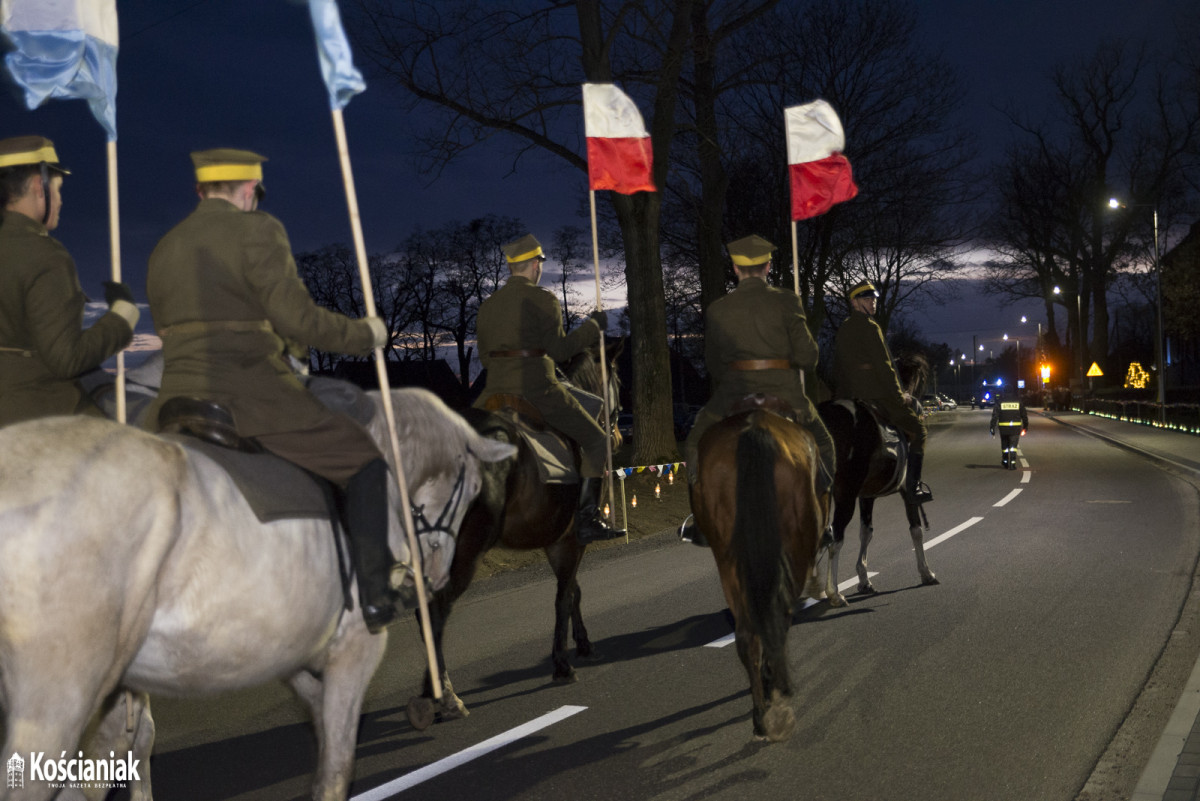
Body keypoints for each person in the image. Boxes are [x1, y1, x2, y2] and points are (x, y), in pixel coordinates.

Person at [143, 148, 398, 632]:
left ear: (200, 192)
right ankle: (376, 593)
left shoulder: (165, 245)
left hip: (174, 396)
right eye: (255, 194)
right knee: (363, 460)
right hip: (251, 392)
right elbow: (296, 318)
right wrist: (368, 335)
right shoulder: (258, 229)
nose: (256, 202)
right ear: (248, 190)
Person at [680, 234, 836, 545]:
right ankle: (822, 519)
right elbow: (808, 358)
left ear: (736, 269)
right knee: (825, 444)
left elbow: (712, 363)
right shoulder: (787, 301)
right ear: (768, 266)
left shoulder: (718, 309)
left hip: (734, 393)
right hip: (786, 393)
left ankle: (700, 519)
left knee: (695, 442)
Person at [473, 233, 624, 543]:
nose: (540, 267)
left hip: (492, 393)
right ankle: (587, 519)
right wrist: (593, 328)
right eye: (539, 262)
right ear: (533, 265)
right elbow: (558, 350)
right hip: (538, 391)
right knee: (598, 441)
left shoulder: (487, 306)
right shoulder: (544, 299)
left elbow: (486, 358)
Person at [0, 135, 139, 427]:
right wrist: (122, 317)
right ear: (40, 186)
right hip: (36, 409)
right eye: (58, 189)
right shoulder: (46, 255)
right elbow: (66, 360)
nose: (61, 200)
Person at [832, 280, 933, 503]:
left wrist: (840, 397)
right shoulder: (871, 327)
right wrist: (899, 396)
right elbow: (885, 366)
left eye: (874, 298)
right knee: (918, 429)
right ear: (855, 302)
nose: (873, 302)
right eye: (867, 299)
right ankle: (914, 487)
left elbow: (838, 366)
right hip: (876, 395)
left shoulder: (844, 328)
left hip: (848, 395)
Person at [990, 390, 1028, 469]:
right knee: (1013, 446)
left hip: (1003, 428)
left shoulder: (1000, 402)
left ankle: (1005, 461)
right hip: (1015, 428)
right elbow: (1024, 414)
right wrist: (1025, 426)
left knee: (1004, 446)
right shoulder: (1018, 401)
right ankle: (1012, 463)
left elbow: (995, 416)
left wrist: (992, 427)